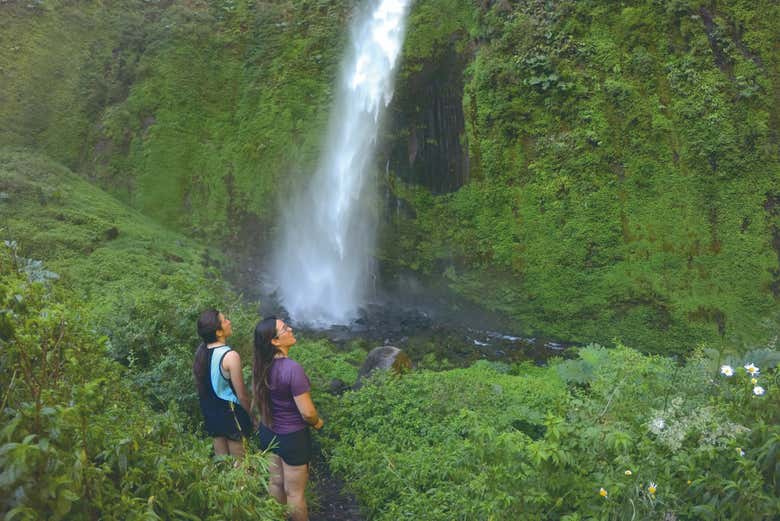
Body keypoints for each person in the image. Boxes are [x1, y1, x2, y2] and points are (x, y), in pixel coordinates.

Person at [253, 316, 323, 521]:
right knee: (295, 494)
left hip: (268, 434)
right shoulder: (292, 369)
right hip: (292, 438)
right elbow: (307, 413)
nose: (291, 328)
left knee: (275, 484)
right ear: (275, 341)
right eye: (285, 328)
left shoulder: (261, 365)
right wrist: (318, 423)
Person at [193, 309, 253, 459]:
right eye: (225, 320)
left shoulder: (201, 353)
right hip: (231, 416)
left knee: (223, 463)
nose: (229, 322)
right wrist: (252, 417)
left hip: (212, 416)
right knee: (240, 465)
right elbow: (241, 395)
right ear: (218, 332)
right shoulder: (230, 356)